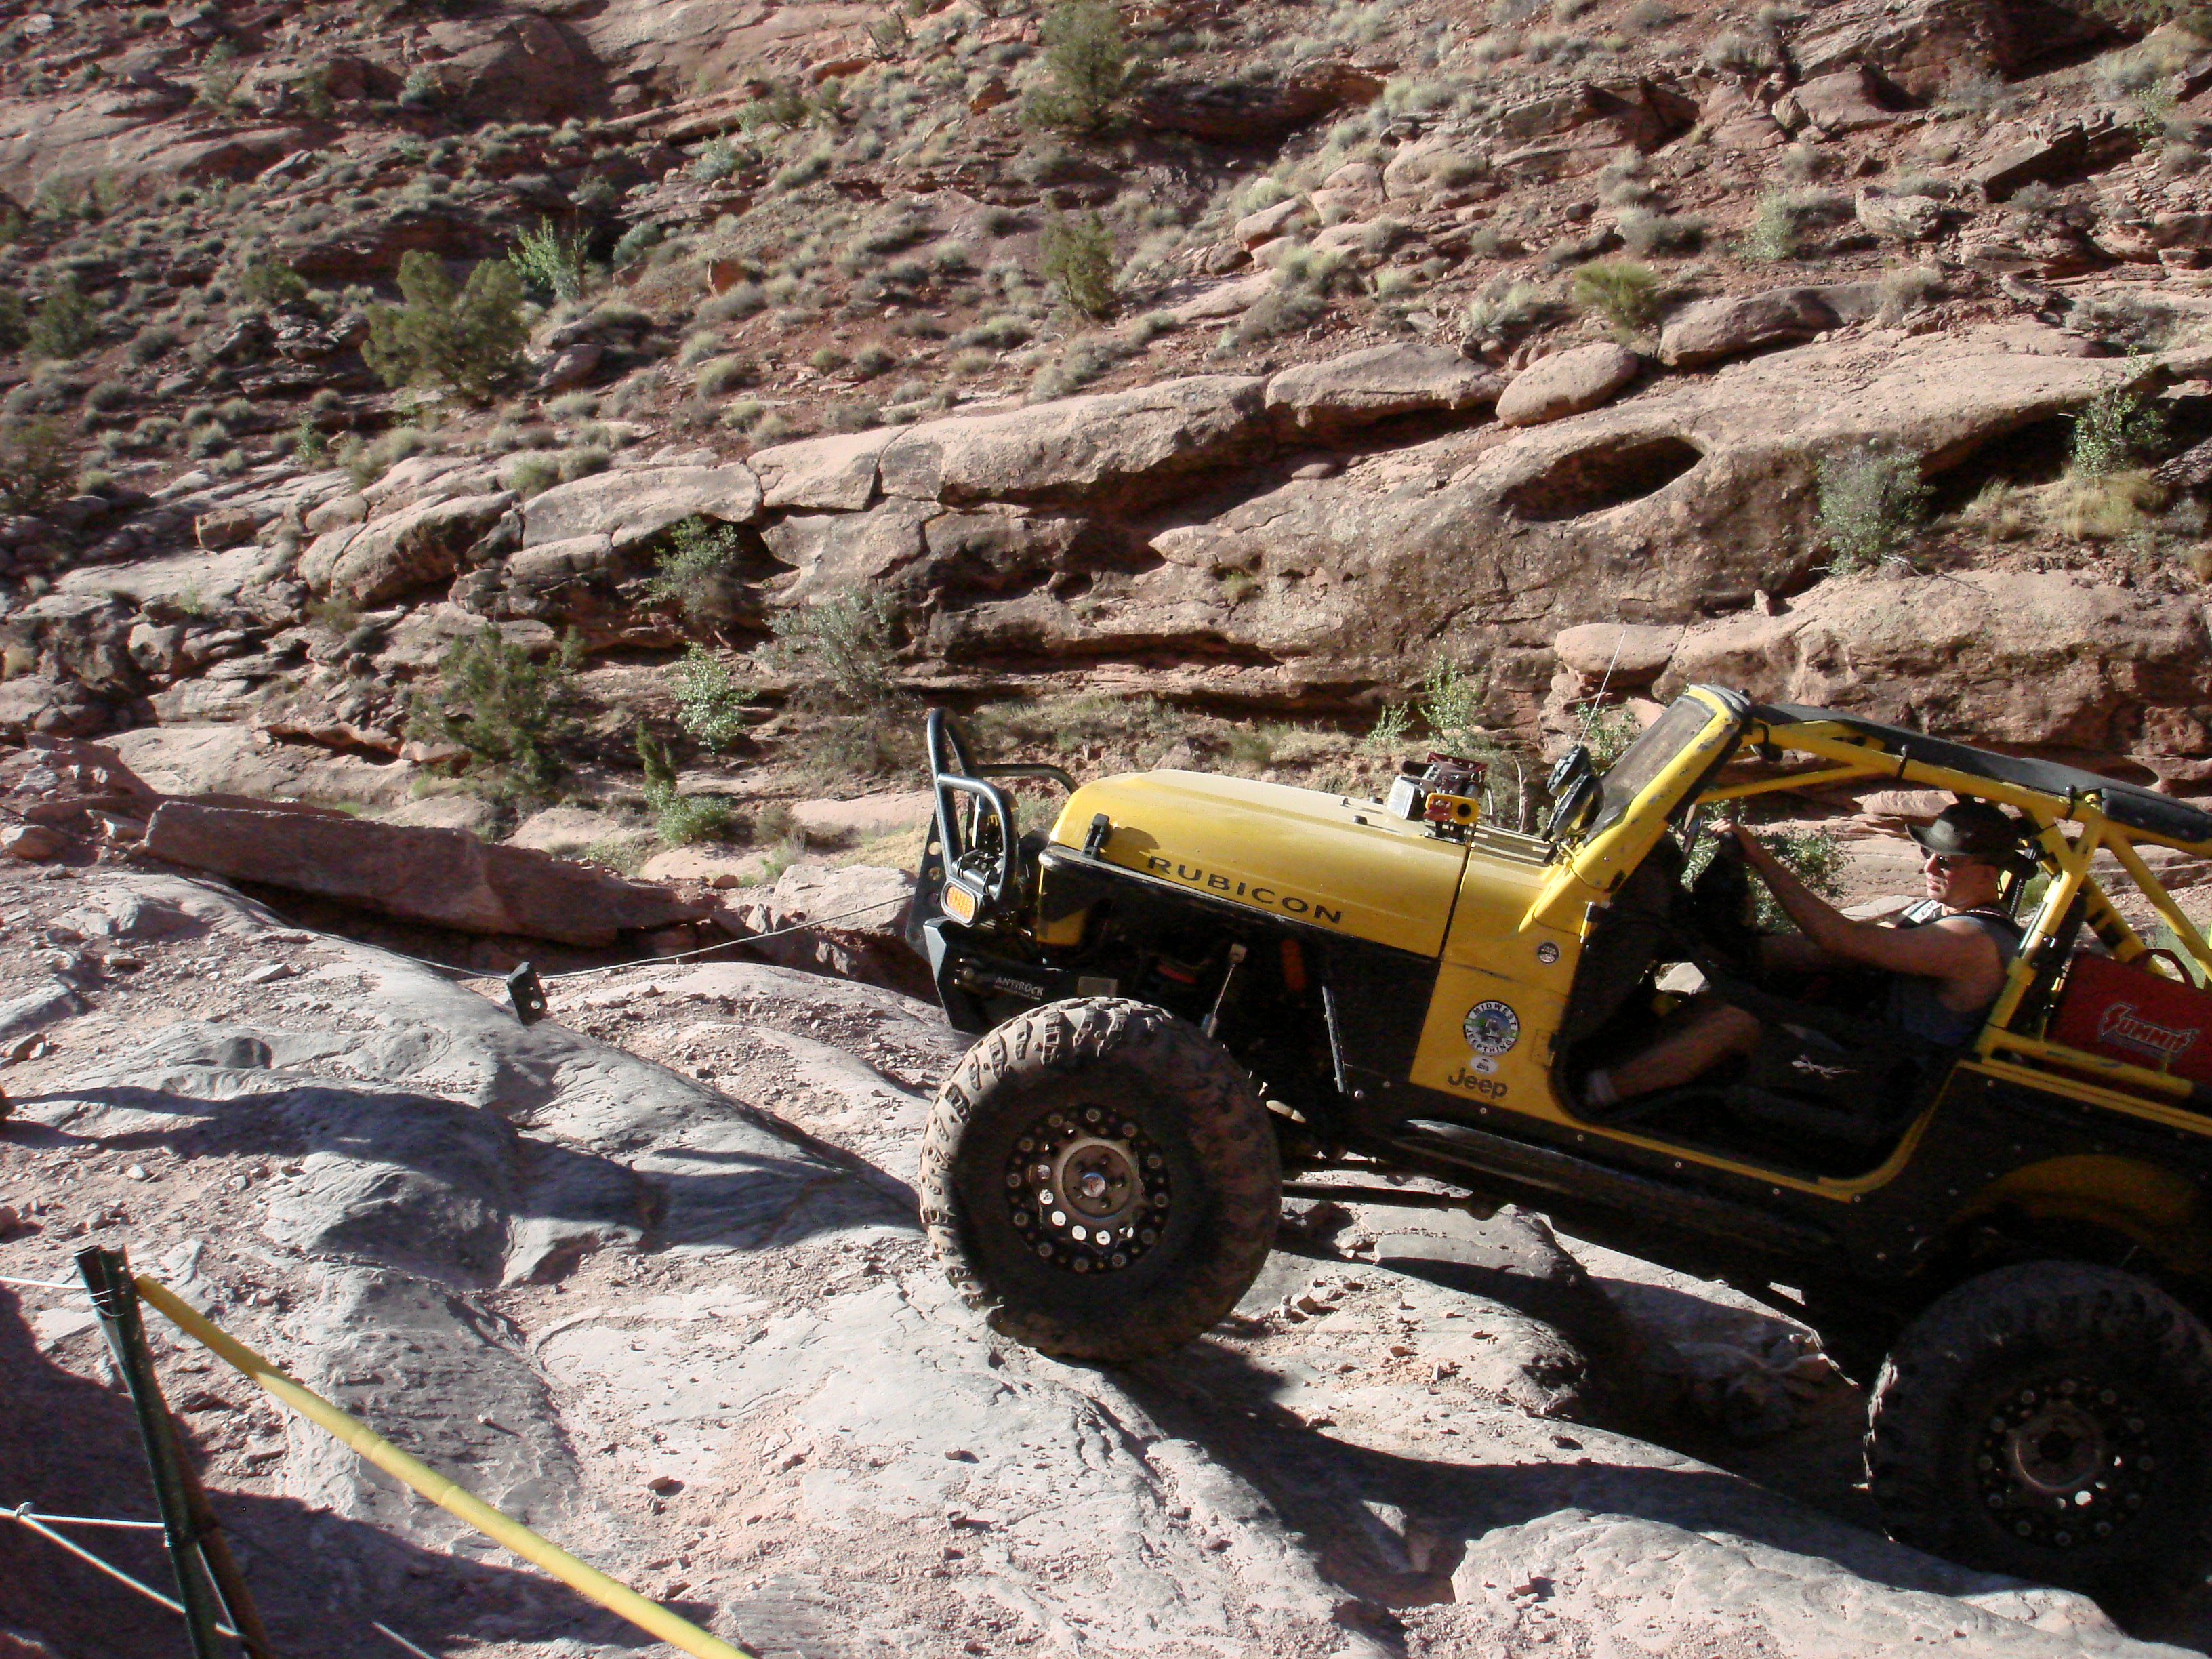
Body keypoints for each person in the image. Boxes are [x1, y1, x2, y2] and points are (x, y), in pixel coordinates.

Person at [1582, 800, 2028, 1108]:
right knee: (1726, 993)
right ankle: (1602, 1065)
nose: (1928, 866)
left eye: (1946, 861)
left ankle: (1586, 1101)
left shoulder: (1971, 940)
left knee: (1735, 1021)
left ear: (1989, 873)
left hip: (1886, 1075)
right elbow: (1841, 956)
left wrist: (1761, 860)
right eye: (1928, 851)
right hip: (1864, 1040)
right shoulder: (1938, 913)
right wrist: (1736, 943)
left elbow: (1842, 940)